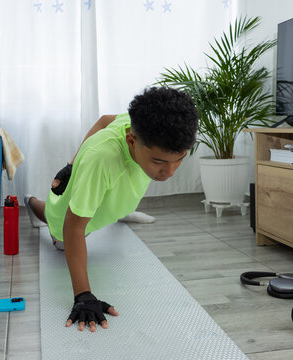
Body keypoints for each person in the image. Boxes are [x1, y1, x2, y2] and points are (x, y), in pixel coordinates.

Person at [24, 86, 198, 332]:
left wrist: (72, 164)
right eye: (159, 162)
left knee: (115, 194)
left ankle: (118, 211)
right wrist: (83, 295)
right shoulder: (103, 159)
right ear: (131, 141)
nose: (169, 172)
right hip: (66, 220)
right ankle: (30, 202)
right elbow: (73, 227)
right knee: (59, 231)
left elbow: (105, 120)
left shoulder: (141, 123)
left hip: (107, 192)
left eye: (179, 159)